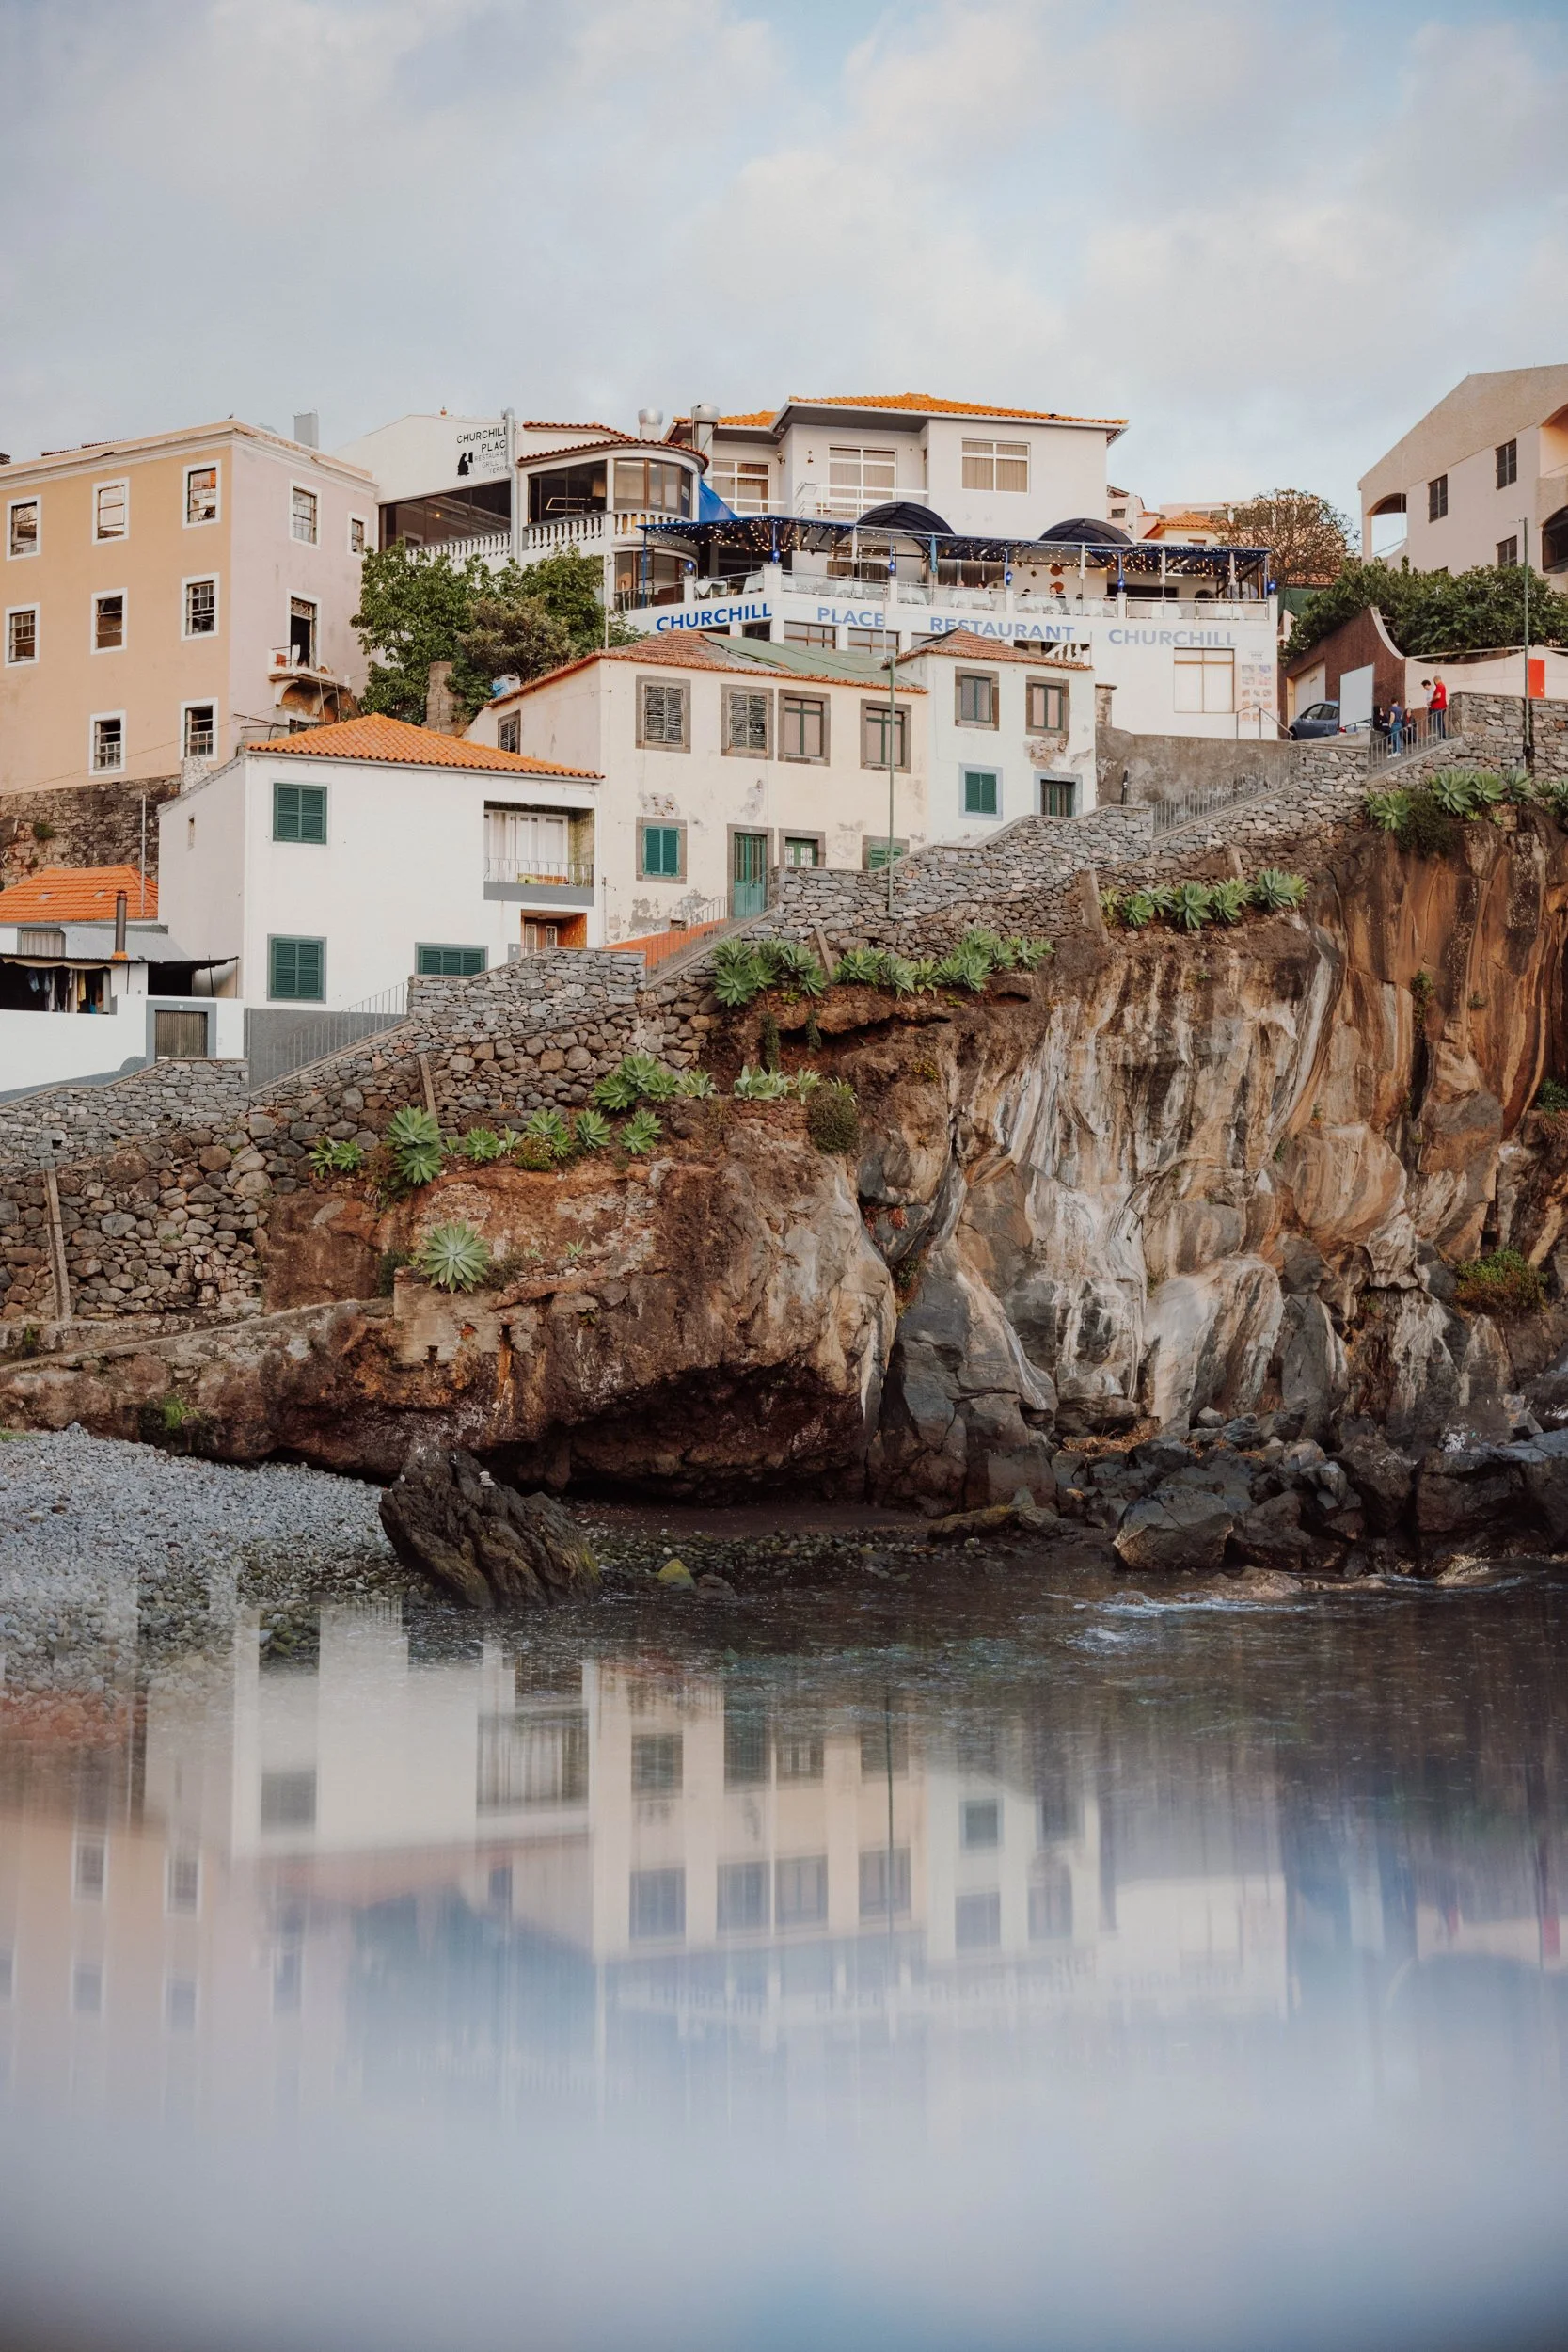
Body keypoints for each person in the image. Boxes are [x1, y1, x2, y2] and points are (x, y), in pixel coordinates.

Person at [1424, 675, 1448, 739]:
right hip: (1440, 707)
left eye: (1434, 681)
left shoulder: (1439, 686)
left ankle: (1442, 736)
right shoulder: (1440, 686)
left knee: (1439, 722)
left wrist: (1431, 700)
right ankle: (1443, 735)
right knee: (1440, 721)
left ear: (1435, 680)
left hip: (1438, 707)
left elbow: (1438, 696)